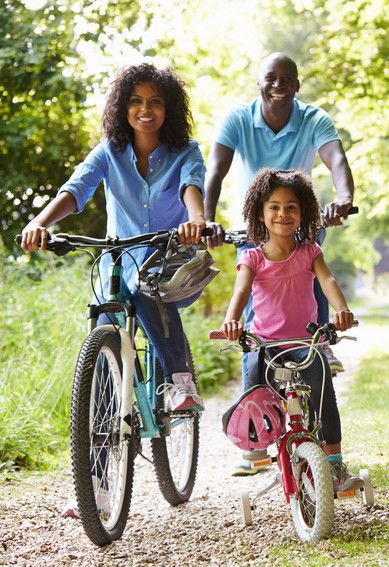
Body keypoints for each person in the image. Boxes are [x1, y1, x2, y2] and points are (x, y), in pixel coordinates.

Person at [21, 62, 207, 414]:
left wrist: (197, 220)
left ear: (169, 109)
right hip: (118, 264)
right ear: (123, 108)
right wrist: (39, 222)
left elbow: (191, 186)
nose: (145, 110)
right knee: (102, 357)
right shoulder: (109, 151)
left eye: (155, 102)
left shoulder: (186, 150)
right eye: (136, 101)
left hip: (170, 263)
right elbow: (77, 189)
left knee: (147, 290)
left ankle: (182, 382)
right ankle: (97, 460)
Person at [205, 51, 355, 381]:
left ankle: (320, 343)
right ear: (259, 83)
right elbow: (215, 169)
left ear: (297, 85)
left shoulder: (314, 118)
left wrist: (344, 199)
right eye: (271, 78)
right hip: (255, 227)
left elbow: (337, 161)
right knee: (251, 299)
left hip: (300, 221)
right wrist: (206, 219)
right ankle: (254, 375)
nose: (278, 84)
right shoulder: (238, 119)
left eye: (287, 79)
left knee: (314, 268)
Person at [221, 168, 363, 492]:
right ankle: (255, 446)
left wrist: (341, 310)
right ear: (261, 212)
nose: (282, 214)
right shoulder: (252, 256)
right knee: (254, 388)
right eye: (274, 206)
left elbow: (327, 281)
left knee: (324, 389)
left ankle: (334, 464)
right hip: (265, 344)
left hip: (303, 341)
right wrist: (232, 320)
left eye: (291, 207)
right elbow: (240, 292)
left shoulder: (310, 252)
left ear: (303, 213)